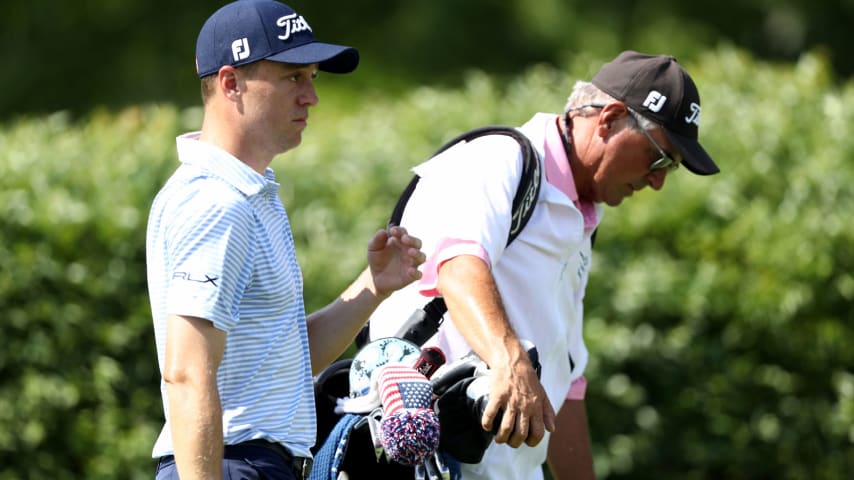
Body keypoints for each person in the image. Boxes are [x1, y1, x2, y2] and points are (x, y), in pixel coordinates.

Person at [368, 50, 720, 480]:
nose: (658, 180)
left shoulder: (584, 216)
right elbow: (458, 267)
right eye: (660, 158)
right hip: (428, 459)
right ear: (608, 119)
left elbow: (565, 380)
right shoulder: (499, 159)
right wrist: (509, 358)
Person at [145, 1, 425, 479]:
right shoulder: (216, 203)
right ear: (231, 83)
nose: (312, 97)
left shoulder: (250, 194)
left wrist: (373, 287)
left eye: (313, 78)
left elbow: (287, 361)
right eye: (294, 78)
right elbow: (187, 373)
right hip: (232, 466)